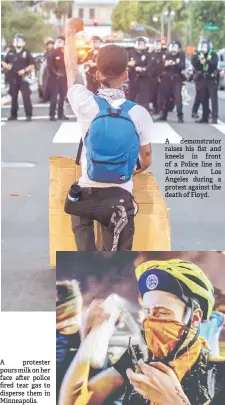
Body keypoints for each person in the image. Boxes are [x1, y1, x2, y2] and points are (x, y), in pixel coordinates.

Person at [59, 259, 225, 405]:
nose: (150, 322)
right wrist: (88, 344)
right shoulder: (139, 362)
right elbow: (76, 401)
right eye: (147, 312)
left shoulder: (219, 375)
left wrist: (173, 401)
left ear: (195, 318)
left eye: (162, 313)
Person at [63, 18, 153, 252]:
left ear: (96, 74)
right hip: (119, 198)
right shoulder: (139, 113)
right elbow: (146, 161)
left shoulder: (84, 102)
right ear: (126, 75)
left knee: (77, 208)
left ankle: (85, 260)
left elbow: (71, 67)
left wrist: (70, 33)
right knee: (115, 259)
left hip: (86, 194)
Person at [2, 33, 35, 121]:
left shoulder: (26, 52)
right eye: (17, 40)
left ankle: (28, 115)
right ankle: (13, 114)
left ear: (23, 42)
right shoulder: (11, 52)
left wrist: (24, 70)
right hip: (13, 77)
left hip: (23, 78)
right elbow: (3, 62)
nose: (18, 42)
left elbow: (32, 65)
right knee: (14, 97)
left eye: (20, 41)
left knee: (26, 96)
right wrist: (7, 66)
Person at [191, 37, 219, 124]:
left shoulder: (213, 54)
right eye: (201, 46)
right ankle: (205, 117)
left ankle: (214, 117)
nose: (203, 48)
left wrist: (206, 61)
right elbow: (194, 63)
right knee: (204, 99)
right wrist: (198, 57)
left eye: (204, 46)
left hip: (211, 78)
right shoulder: (198, 54)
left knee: (213, 99)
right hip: (202, 78)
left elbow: (214, 64)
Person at [157, 40, 185, 123]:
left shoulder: (181, 55)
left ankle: (180, 116)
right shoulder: (166, 54)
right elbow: (160, 65)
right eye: (172, 46)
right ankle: (163, 115)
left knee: (178, 98)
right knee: (165, 97)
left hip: (177, 79)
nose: (173, 48)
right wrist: (166, 64)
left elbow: (182, 66)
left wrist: (175, 63)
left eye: (175, 46)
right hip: (166, 79)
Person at [47, 36, 69, 121]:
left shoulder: (66, 53)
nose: (60, 43)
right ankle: (52, 114)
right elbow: (49, 66)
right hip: (54, 79)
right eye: (59, 41)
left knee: (63, 97)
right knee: (54, 97)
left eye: (62, 41)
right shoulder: (52, 53)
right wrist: (56, 73)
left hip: (64, 78)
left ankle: (61, 114)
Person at [127, 37, 150, 111]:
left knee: (143, 97)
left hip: (144, 78)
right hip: (133, 77)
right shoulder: (131, 53)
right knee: (131, 95)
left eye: (142, 43)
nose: (140, 45)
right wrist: (131, 64)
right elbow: (126, 63)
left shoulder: (147, 54)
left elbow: (150, 65)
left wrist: (142, 69)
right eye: (138, 43)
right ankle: (130, 111)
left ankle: (144, 111)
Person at [148, 39, 165, 114]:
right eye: (156, 44)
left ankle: (160, 109)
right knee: (152, 94)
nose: (158, 46)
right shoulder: (150, 54)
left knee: (161, 94)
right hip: (152, 77)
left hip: (162, 77)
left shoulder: (164, 54)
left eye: (159, 44)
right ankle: (153, 108)